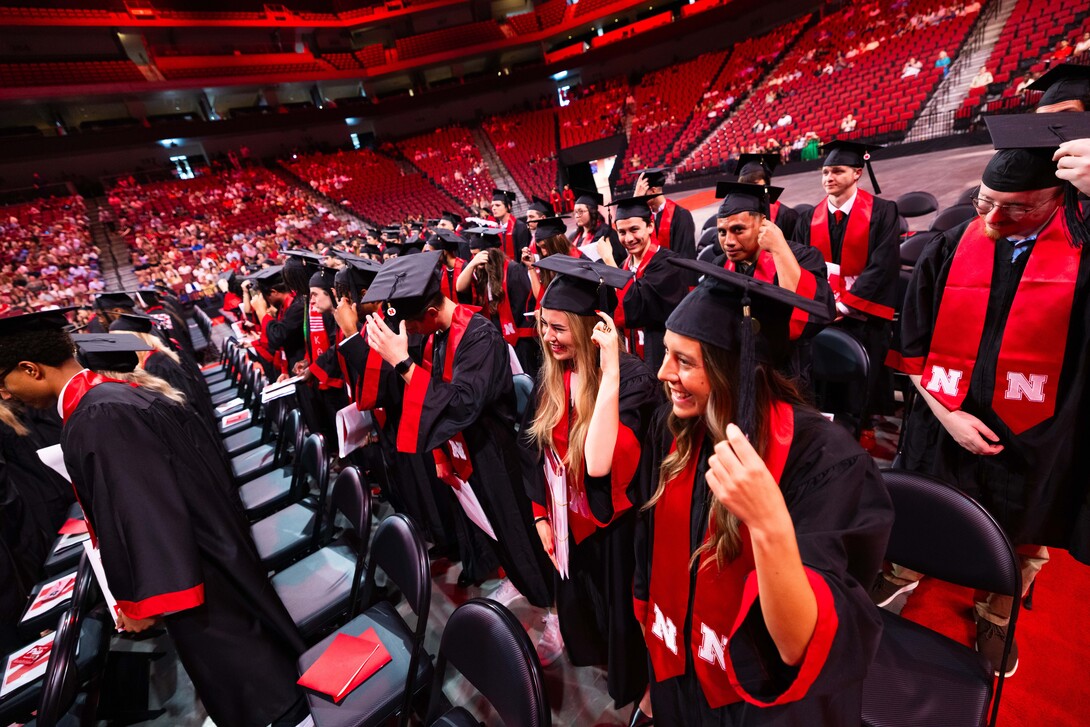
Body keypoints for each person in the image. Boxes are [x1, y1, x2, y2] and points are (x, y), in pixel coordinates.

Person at [0, 309, 307, 727]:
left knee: (248, 673)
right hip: (208, 544)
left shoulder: (98, 414)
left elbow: (144, 511)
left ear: (30, 369)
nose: (5, 394)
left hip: (194, 570)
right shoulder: (107, 394)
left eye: (4, 382)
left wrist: (137, 598)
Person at [632, 259, 892, 725]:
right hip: (678, 663)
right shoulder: (673, 426)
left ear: (735, 371)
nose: (662, 373)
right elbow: (648, 548)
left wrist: (770, 523)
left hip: (756, 695)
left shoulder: (828, 462)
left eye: (684, 361)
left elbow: (800, 645)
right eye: (665, 354)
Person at [879, 113, 1090, 677]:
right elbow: (913, 347)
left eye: (1019, 208)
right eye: (985, 202)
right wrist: (947, 416)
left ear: (1061, 199)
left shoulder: (1084, 252)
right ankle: (903, 570)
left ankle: (997, 610)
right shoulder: (949, 246)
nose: (995, 220)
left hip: (1038, 433)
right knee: (925, 495)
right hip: (942, 418)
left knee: (1024, 527)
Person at [361, 252, 553, 605]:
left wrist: (403, 363)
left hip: (497, 453)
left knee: (517, 532)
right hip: (468, 453)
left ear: (432, 314)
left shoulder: (479, 335)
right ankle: (520, 579)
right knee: (493, 529)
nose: (415, 334)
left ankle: (548, 602)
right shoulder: (439, 336)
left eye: (416, 326)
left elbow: (464, 403)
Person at [522, 255, 660, 702]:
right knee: (581, 599)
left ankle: (629, 679)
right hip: (566, 516)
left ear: (588, 328)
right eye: (544, 325)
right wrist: (541, 515)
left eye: (558, 328)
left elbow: (605, 462)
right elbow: (535, 450)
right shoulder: (553, 372)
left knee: (618, 605)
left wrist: (610, 370)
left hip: (615, 524)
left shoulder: (633, 378)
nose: (547, 337)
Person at [793, 140, 901, 436]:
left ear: (857, 173)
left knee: (861, 383)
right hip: (822, 313)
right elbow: (801, 267)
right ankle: (826, 429)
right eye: (825, 172)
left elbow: (884, 263)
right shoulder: (808, 219)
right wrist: (821, 303)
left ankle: (862, 429)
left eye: (837, 171)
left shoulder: (882, 212)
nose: (829, 178)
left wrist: (845, 304)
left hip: (863, 313)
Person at [713, 181, 834, 389]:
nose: (729, 241)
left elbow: (811, 315)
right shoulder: (719, 265)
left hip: (786, 373)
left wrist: (779, 249)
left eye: (738, 230)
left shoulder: (803, 258)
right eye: (722, 232)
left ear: (763, 225)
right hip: (734, 371)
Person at [598, 196, 690, 374]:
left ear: (650, 226)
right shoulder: (625, 265)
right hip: (631, 359)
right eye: (622, 232)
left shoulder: (668, 263)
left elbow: (637, 304)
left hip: (661, 358)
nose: (629, 238)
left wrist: (609, 262)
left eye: (634, 229)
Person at [456, 226, 537, 372]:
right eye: (472, 255)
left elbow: (521, 307)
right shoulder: (480, 272)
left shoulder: (513, 270)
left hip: (518, 340)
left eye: (476, 255)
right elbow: (460, 288)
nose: (474, 259)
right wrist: (473, 264)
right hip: (495, 338)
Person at [632, 167, 697, 261]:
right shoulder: (644, 218)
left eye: (641, 193)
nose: (639, 198)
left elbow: (686, 257)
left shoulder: (681, 216)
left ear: (653, 191)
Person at [735, 152, 800, 238]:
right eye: (746, 185)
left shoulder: (786, 216)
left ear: (766, 184)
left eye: (755, 183)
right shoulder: (737, 215)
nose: (751, 189)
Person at [570, 189, 624, 263]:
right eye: (575, 212)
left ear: (592, 212)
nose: (577, 216)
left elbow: (619, 258)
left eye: (580, 211)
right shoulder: (573, 236)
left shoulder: (607, 233)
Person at [489, 188, 531, 260]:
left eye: (497, 205)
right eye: (492, 206)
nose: (493, 208)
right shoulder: (496, 229)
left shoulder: (520, 227)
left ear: (508, 206)